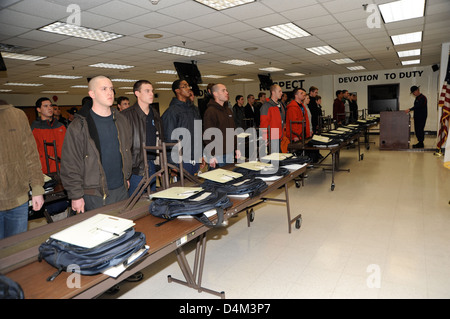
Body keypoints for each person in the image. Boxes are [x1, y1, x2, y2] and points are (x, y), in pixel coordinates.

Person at [60, 76, 132, 213]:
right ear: (92, 94)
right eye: (104, 89)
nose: (110, 92)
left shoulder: (121, 120)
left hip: (121, 189)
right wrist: (76, 195)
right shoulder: (79, 126)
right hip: (95, 193)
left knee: (125, 231)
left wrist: (126, 176)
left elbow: (126, 150)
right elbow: (70, 163)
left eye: (111, 89)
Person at [0, 100, 45, 239]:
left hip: (18, 198)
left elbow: (30, 154)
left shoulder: (17, 115)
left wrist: (37, 188)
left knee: (16, 249)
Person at [121, 80, 164, 195]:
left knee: (153, 203)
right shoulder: (126, 116)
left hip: (152, 165)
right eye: (147, 91)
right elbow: (121, 146)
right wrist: (126, 174)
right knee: (135, 203)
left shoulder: (155, 114)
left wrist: (159, 165)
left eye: (152, 91)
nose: (151, 94)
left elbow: (159, 140)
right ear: (137, 93)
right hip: (135, 169)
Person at [162, 79, 203, 176]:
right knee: (186, 189)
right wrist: (172, 163)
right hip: (182, 160)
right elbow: (169, 138)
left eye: (188, 85)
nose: (189, 88)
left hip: (195, 157)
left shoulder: (194, 110)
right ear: (177, 90)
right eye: (185, 86)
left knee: (197, 188)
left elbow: (198, 134)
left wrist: (202, 154)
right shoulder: (171, 112)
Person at [203, 83, 240, 168]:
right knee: (219, 180)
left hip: (229, 152)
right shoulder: (210, 111)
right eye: (223, 90)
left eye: (226, 90)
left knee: (230, 178)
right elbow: (208, 135)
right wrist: (211, 155)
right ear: (215, 93)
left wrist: (237, 148)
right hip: (218, 154)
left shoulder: (228, 111)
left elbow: (233, 131)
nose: (226, 92)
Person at [31, 97, 67, 175]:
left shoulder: (61, 126)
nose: (49, 108)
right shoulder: (34, 128)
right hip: (45, 170)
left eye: (50, 106)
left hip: (63, 169)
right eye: (45, 106)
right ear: (38, 109)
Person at [259, 84, 284, 151]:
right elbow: (263, 123)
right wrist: (265, 138)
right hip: (272, 137)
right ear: (273, 92)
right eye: (279, 91)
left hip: (279, 136)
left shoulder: (280, 105)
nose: (282, 93)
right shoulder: (266, 106)